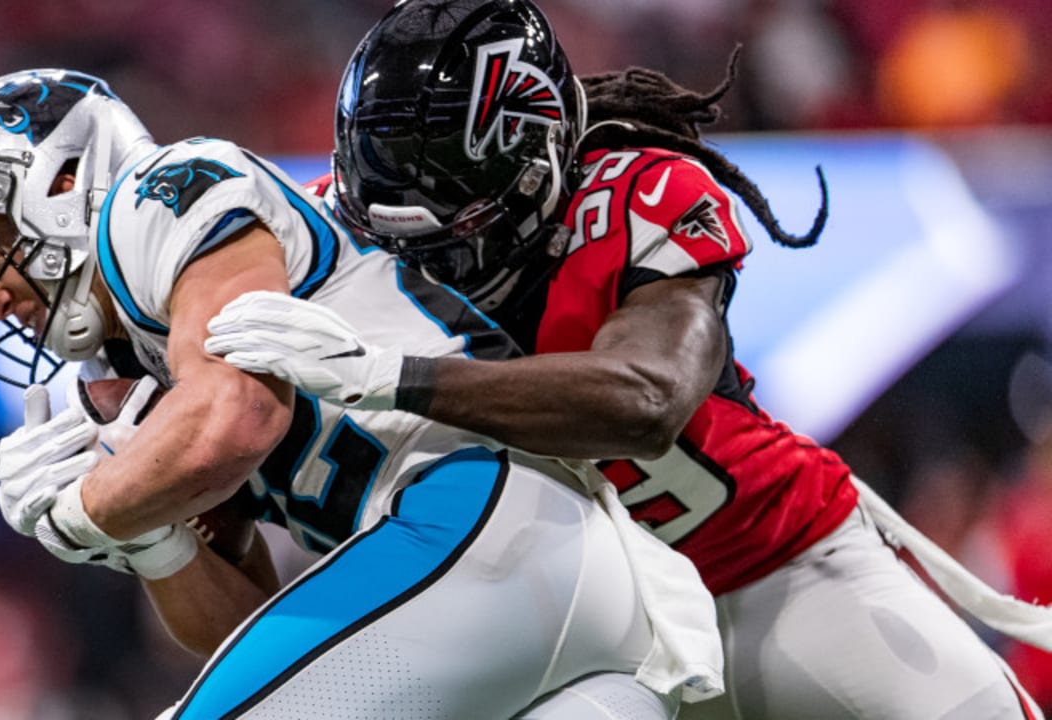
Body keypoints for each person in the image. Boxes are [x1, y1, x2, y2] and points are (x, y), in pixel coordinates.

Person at [201, 1, 1052, 718]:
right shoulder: (318, 249)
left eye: (454, 226)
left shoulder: (634, 192)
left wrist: (390, 376)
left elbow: (646, 400)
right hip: (574, 633)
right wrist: (139, 516)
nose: (424, 261)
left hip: (775, 568)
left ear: (536, 159)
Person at [0, 67, 725, 719]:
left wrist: (76, 508)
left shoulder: (158, 195)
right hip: (524, 598)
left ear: (62, 180)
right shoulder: (123, 377)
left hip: (490, 525)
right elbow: (247, 631)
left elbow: (239, 415)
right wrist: (149, 538)